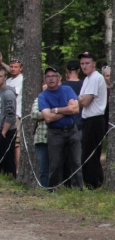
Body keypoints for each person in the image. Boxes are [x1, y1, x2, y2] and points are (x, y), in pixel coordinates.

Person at [38, 65, 82, 190]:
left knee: (76, 162)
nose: (51, 79)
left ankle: (78, 190)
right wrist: (67, 110)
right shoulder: (43, 96)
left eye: (54, 76)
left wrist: (56, 110)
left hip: (72, 130)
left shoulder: (67, 89)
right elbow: (48, 118)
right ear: (45, 79)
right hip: (55, 133)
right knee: (55, 165)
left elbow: (76, 108)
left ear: (59, 78)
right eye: (48, 76)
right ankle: (53, 191)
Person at [77, 52, 107, 189]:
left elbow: (85, 101)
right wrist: (80, 99)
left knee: (90, 155)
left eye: (87, 63)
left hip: (95, 120)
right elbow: (81, 99)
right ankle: (93, 182)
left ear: (93, 63)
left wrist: (79, 99)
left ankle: (94, 184)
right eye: (82, 64)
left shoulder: (96, 78)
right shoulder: (87, 79)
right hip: (88, 120)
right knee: (88, 153)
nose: (84, 66)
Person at [0, 52, 23, 173]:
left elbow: (13, 94)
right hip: (4, 116)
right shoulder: (9, 80)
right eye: (11, 66)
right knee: (6, 144)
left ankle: (16, 170)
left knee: (16, 144)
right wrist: (1, 63)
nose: (12, 69)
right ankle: (5, 170)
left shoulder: (21, 80)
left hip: (15, 115)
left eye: (15, 67)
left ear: (21, 68)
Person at [0, 66, 17, 178]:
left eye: (0, 76)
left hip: (7, 130)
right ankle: (2, 179)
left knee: (8, 159)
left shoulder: (8, 93)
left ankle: (11, 179)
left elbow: (11, 113)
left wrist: (4, 131)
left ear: (5, 78)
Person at [31, 83, 50, 187]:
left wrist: (45, 114)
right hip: (40, 138)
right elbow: (34, 114)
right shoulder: (39, 99)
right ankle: (45, 189)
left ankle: (55, 189)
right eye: (45, 84)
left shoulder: (59, 98)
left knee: (55, 167)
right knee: (43, 168)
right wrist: (52, 113)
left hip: (57, 138)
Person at [62, 59, 84, 138]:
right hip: (81, 122)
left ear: (67, 70)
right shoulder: (84, 83)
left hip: (67, 123)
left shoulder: (63, 85)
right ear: (78, 70)